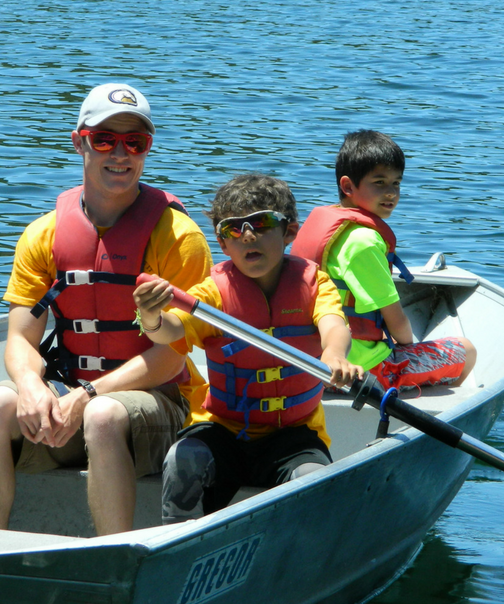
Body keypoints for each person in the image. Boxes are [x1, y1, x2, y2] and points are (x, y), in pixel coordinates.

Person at [0, 83, 213, 536]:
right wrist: (31, 386)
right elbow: (21, 338)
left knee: (102, 416)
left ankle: (114, 560)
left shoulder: (179, 237)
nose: (121, 153)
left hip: (156, 406)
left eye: (134, 143)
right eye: (105, 140)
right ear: (79, 141)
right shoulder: (43, 235)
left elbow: (172, 355)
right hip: (72, 392)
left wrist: (89, 396)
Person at [132, 173, 363, 524]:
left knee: (315, 480)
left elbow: (333, 324)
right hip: (223, 431)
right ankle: (177, 542)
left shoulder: (313, 282)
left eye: (261, 223)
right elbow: (172, 329)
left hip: (293, 437)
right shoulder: (212, 293)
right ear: (223, 244)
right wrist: (151, 316)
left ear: (289, 231)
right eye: (233, 229)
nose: (248, 236)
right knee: (184, 458)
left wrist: (333, 355)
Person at [291, 129, 477, 391]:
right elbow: (397, 322)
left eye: (396, 183)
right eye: (379, 182)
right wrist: (407, 344)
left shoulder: (327, 223)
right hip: (361, 370)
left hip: (310, 361)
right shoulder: (363, 241)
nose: (391, 192)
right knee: (466, 350)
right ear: (347, 186)